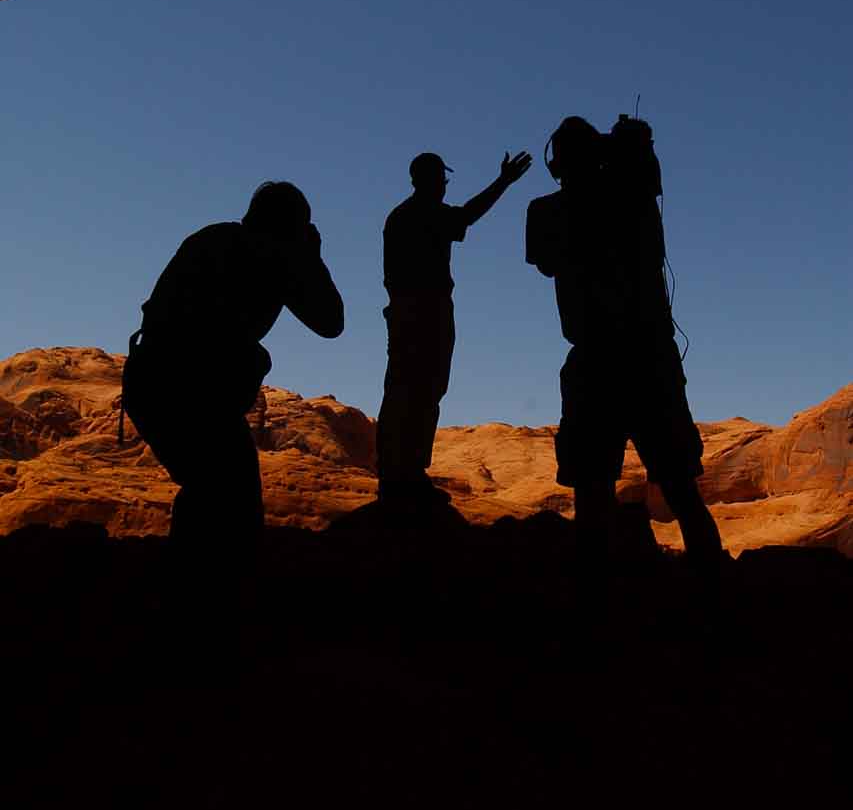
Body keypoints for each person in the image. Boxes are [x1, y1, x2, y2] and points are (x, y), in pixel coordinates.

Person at [525, 115, 723, 568]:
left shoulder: (548, 211)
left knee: (592, 493)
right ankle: (715, 597)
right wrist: (626, 150)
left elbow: (545, 259)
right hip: (649, 357)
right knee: (679, 489)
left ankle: (596, 608)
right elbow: (647, 189)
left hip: (595, 361)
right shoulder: (631, 197)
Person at [121, 181, 344, 552]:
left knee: (211, 489)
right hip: (193, 391)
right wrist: (311, 257)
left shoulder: (212, 238)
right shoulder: (273, 255)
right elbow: (331, 322)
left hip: (152, 380)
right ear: (292, 226)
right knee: (227, 494)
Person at [376, 148, 532, 509]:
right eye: (441, 180)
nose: (444, 186)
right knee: (420, 389)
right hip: (423, 312)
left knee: (409, 388)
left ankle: (399, 473)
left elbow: (460, 218)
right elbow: (467, 216)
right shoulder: (421, 214)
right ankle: (405, 475)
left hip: (409, 312)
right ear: (429, 181)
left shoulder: (402, 215)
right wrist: (503, 182)